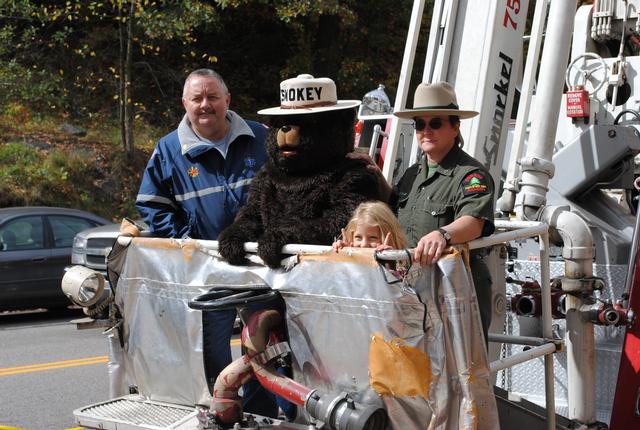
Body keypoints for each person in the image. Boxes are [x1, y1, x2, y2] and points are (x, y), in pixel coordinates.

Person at [135, 68, 277, 417]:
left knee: (269, 347)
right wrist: (188, 245)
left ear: (228, 100)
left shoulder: (261, 136)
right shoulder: (168, 150)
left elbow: (287, 186)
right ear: (185, 103)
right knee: (212, 351)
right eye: (196, 98)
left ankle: (267, 417)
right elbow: (152, 206)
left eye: (212, 96)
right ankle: (226, 415)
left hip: (264, 268)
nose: (205, 104)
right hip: (208, 271)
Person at [349, 81, 495, 339]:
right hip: (411, 291)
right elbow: (390, 215)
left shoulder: (471, 175)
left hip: (455, 294)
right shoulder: (412, 173)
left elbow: (475, 221)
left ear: (455, 126)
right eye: (419, 124)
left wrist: (443, 234)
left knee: (458, 374)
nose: (426, 130)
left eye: (436, 123)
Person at [332, 201, 407, 251]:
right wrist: (343, 254)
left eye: (373, 238)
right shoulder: (350, 252)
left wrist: (389, 260)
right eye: (358, 237)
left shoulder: (402, 266)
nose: (364, 245)